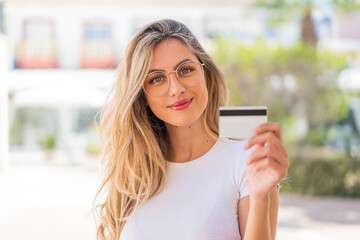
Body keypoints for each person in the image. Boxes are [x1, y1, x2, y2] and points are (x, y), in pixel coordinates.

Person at [93, 19, 289, 240]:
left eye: (185, 70)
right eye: (157, 79)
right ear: (142, 95)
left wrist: (261, 196)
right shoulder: (135, 172)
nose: (176, 89)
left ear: (205, 73)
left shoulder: (246, 162)